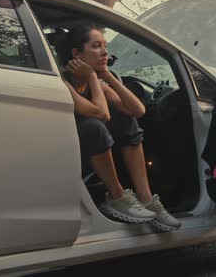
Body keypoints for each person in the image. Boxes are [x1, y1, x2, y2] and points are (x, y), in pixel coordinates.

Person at [58, 23, 181, 231]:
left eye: (105, 46)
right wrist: (92, 77)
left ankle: (146, 198)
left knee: (127, 119)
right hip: (65, 155)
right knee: (94, 126)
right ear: (76, 53)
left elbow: (138, 110)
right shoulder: (63, 82)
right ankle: (117, 197)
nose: (105, 52)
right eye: (96, 46)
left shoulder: (96, 82)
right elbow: (101, 113)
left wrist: (106, 76)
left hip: (91, 151)